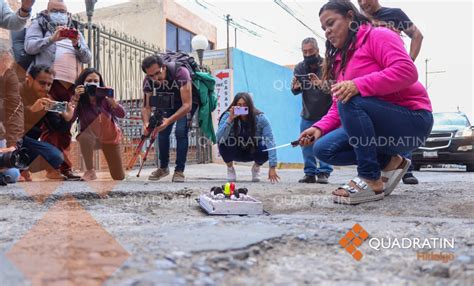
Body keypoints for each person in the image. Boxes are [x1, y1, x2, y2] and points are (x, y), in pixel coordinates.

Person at [299, 0, 433, 204]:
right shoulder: (340, 62)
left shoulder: (378, 35)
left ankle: (370, 177)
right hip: (379, 128)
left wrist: (358, 85)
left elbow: (407, 71)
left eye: (331, 23)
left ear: (351, 17)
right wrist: (318, 128)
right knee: (323, 148)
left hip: (412, 121)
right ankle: (389, 161)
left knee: (351, 97)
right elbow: (338, 105)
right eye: (324, 28)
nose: (327, 31)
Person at [358, 0, 424, 185]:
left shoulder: (394, 13)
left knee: (398, 120)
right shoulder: (359, 19)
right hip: (370, 77)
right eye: (359, 0)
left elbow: (417, 35)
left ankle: (407, 169)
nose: (363, 2)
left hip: (394, 75)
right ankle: (381, 168)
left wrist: (408, 62)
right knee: (375, 121)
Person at [24, 0, 91, 180]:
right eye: (55, 10)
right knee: (51, 124)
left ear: (68, 14)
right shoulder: (39, 24)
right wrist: (52, 38)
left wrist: (77, 42)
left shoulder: (74, 29)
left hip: (71, 86)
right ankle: (52, 168)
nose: (59, 14)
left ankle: (64, 167)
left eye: (62, 11)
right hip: (50, 83)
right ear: (47, 11)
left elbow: (87, 56)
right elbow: (29, 46)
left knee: (66, 125)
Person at [141, 55, 197, 183]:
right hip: (167, 99)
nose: (155, 78)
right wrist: (146, 123)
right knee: (162, 131)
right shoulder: (148, 80)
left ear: (164, 67)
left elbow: (187, 105)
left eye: (157, 73)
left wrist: (168, 121)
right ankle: (163, 168)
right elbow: (146, 106)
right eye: (151, 76)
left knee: (181, 132)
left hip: (186, 102)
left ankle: (179, 171)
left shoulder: (181, 72)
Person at [70, 68, 125, 181]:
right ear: (82, 83)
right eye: (89, 80)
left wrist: (113, 102)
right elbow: (71, 119)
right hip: (91, 138)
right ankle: (90, 171)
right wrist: (75, 99)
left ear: (100, 83)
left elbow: (122, 114)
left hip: (110, 138)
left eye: (96, 81)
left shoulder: (105, 99)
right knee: (84, 136)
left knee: (119, 177)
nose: (93, 83)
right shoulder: (80, 100)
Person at [291, 37, 333, 184]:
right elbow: (296, 89)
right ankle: (309, 173)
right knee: (305, 143)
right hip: (307, 113)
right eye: (305, 52)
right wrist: (295, 88)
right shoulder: (299, 68)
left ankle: (324, 172)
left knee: (324, 143)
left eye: (311, 51)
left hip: (326, 115)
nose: (308, 54)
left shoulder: (328, 65)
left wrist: (320, 83)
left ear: (317, 50)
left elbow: (334, 88)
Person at [217, 92, 280, 183]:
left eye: (245, 105)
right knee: (225, 142)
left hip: (252, 150)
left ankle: (256, 167)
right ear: (234, 105)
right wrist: (230, 120)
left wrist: (272, 166)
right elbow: (219, 138)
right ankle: (230, 168)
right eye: (239, 105)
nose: (242, 108)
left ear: (250, 106)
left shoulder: (260, 118)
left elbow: (270, 141)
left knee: (264, 146)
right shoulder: (228, 116)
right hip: (235, 150)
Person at [21, 65, 69, 180]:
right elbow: (7, 119)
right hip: (10, 140)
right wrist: (31, 111)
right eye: (42, 83)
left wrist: (66, 118)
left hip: (27, 143)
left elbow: (57, 127)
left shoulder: (47, 99)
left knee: (56, 157)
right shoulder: (17, 91)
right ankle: (18, 168)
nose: (46, 88)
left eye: (49, 84)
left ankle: (22, 167)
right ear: (30, 79)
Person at [0, 39, 24, 184]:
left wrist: (12, 145)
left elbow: (14, 110)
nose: (3, 74)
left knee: (13, 173)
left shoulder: (10, 76)